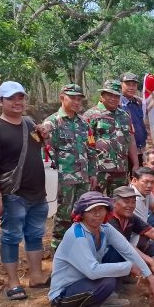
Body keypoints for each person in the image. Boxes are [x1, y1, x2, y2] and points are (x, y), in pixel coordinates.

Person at [49, 192, 154, 307]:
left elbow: (127, 250)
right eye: (92, 210)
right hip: (64, 293)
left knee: (118, 253)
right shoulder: (77, 236)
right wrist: (128, 266)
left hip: (83, 282)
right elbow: (92, 271)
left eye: (101, 209)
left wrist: (150, 277)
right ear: (82, 214)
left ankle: (105, 298)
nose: (97, 214)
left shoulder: (105, 228)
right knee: (107, 281)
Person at [0, 81, 49, 300]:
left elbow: (38, 145)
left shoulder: (29, 124)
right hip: (14, 194)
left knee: (35, 235)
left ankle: (37, 276)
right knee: (11, 237)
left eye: (20, 98)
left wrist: (44, 132)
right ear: (1, 101)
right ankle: (13, 282)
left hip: (37, 192)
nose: (17, 102)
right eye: (11, 99)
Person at [42, 83, 98, 249]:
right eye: (72, 98)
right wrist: (52, 179)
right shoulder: (52, 123)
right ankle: (58, 249)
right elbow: (46, 152)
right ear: (62, 98)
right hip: (63, 178)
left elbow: (91, 149)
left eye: (79, 98)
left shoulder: (84, 123)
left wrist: (93, 173)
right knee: (63, 215)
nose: (76, 102)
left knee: (82, 212)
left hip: (83, 177)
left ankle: (79, 245)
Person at [83, 81, 140, 197]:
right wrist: (89, 169)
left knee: (119, 201)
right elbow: (86, 143)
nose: (113, 99)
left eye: (116, 96)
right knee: (95, 201)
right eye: (110, 95)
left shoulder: (124, 115)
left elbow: (131, 140)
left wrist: (135, 163)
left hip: (121, 170)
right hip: (99, 170)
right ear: (102, 96)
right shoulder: (90, 115)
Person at [106, 186, 154, 270]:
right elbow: (125, 246)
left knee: (149, 240)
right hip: (106, 259)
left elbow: (151, 231)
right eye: (126, 202)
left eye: (133, 202)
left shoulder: (130, 217)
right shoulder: (109, 220)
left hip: (124, 250)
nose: (130, 205)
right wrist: (151, 261)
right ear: (114, 202)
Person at [119, 72, 149, 166]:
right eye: (128, 84)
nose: (131, 87)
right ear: (121, 85)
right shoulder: (117, 103)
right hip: (125, 152)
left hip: (141, 150)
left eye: (134, 85)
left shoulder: (140, 103)